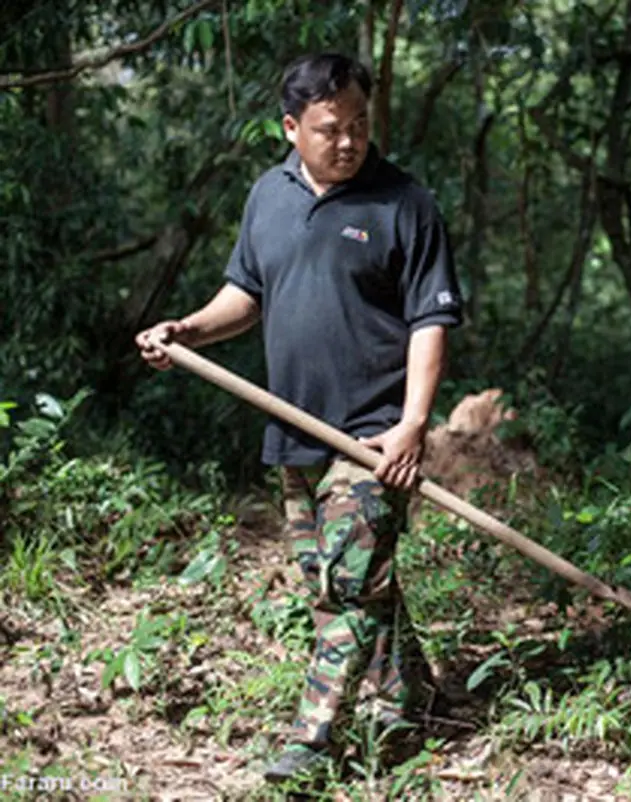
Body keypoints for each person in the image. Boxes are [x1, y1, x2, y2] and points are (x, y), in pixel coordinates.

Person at [135, 52, 464, 783]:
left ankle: (312, 745)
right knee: (342, 584)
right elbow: (245, 294)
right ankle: (413, 701)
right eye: (329, 129)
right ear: (291, 127)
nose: (348, 142)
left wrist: (413, 423)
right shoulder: (268, 197)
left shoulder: (403, 203)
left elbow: (430, 324)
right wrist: (187, 329)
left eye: (359, 125)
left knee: (346, 586)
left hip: (374, 435)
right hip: (294, 429)